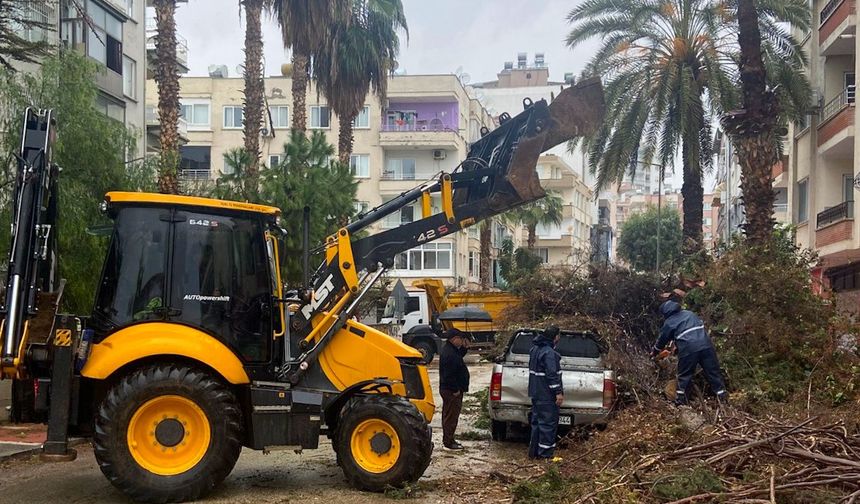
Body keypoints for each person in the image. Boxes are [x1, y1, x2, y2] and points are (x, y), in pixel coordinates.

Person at [652, 300, 728, 405]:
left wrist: (654, 352)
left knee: (684, 375)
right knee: (713, 372)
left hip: (689, 349)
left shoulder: (669, 322)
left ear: (665, 313)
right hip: (706, 345)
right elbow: (691, 331)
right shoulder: (690, 314)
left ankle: (681, 402)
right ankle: (722, 398)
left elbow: (662, 340)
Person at [528, 325, 563, 459]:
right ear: (555, 337)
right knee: (548, 425)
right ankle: (545, 455)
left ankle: (534, 453)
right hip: (546, 395)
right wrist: (558, 393)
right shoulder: (549, 354)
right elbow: (552, 375)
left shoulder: (534, 349)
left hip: (536, 393)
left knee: (536, 423)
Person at [439, 328, 470, 450]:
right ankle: (448, 441)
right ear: (454, 339)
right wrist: (455, 389)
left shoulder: (451, 350)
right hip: (451, 391)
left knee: (449, 415)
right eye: (460, 339)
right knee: (451, 416)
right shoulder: (449, 354)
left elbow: (459, 356)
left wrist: (465, 348)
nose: (461, 341)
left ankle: (449, 438)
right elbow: (448, 374)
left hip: (450, 389)